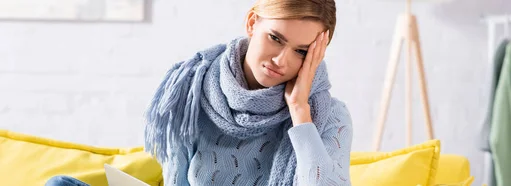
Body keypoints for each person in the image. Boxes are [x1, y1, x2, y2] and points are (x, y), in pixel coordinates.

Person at [45, 0, 352, 185]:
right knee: (60, 185)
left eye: (300, 51)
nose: (281, 60)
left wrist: (300, 112)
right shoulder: (193, 89)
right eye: (275, 38)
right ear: (251, 23)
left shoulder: (328, 118)